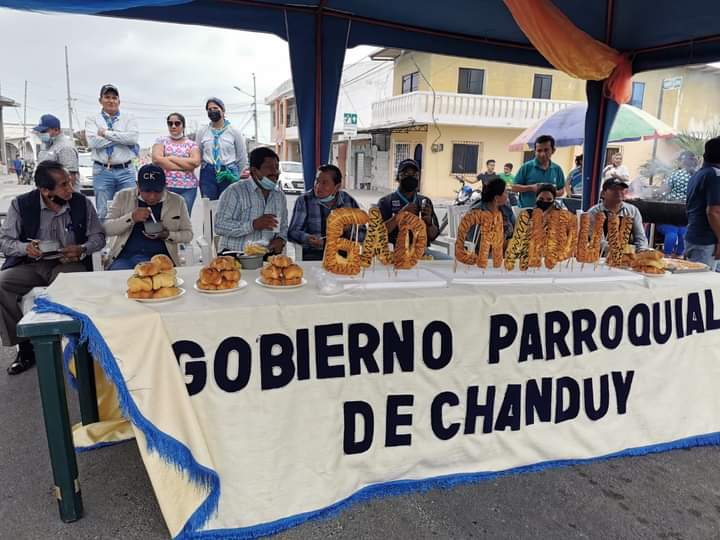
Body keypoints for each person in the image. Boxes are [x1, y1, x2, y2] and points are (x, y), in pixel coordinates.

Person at [0, 161, 105, 375]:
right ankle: (25, 346)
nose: (70, 188)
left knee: (70, 285)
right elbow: (5, 241)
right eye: (64, 185)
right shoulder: (21, 205)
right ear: (45, 191)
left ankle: (77, 346)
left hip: (68, 264)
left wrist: (82, 248)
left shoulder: (81, 203)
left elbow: (99, 237)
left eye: (70, 182)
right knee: (2, 284)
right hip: (31, 264)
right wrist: (25, 248)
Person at [104, 164, 193, 270]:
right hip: (126, 257)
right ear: (138, 185)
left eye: (157, 191)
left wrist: (168, 234)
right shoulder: (123, 197)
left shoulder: (177, 201)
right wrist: (131, 217)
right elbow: (106, 228)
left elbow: (188, 234)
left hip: (161, 259)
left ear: (165, 186)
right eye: (147, 191)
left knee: (162, 277)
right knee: (120, 276)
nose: (152, 196)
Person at [215, 147, 287, 254]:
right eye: (269, 167)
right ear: (254, 170)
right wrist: (253, 225)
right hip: (235, 254)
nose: (275, 172)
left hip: (266, 255)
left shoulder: (279, 195)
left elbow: (284, 227)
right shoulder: (235, 191)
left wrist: (280, 239)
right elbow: (219, 226)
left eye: (276, 167)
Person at [85, 84, 139, 220]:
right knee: (103, 212)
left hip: (126, 171)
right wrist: (122, 137)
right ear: (100, 100)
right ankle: (105, 235)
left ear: (119, 101)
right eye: (107, 97)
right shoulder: (92, 119)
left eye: (114, 98)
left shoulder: (129, 118)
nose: (111, 101)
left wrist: (105, 133)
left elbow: (133, 138)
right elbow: (93, 142)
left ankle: (126, 235)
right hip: (102, 171)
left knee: (129, 210)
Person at [288, 164, 361, 261]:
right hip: (314, 255)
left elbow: (363, 233)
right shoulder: (304, 200)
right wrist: (307, 238)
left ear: (337, 187)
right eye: (317, 181)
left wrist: (350, 228)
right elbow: (292, 232)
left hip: (343, 255)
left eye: (324, 183)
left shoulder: (348, 201)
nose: (318, 186)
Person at [377, 159, 441, 255]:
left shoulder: (425, 202)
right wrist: (399, 216)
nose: (410, 177)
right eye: (406, 174)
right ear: (398, 177)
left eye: (415, 175)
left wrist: (428, 223)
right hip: (394, 253)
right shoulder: (385, 202)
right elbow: (377, 233)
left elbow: (433, 236)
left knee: (451, 262)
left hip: (421, 253)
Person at [195, 97, 248, 201]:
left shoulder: (234, 131)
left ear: (223, 110)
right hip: (208, 173)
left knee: (229, 203)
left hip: (228, 172)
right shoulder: (202, 131)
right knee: (209, 204)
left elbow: (242, 156)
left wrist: (236, 175)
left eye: (215, 108)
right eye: (209, 109)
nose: (212, 111)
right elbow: (198, 153)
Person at [152, 112, 201, 215]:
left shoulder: (191, 144)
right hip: (165, 187)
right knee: (165, 218)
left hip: (188, 188)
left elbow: (196, 162)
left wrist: (171, 158)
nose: (173, 126)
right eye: (170, 123)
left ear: (183, 126)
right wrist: (186, 166)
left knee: (184, 218)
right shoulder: (161, 141)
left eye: (177, 123)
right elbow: (157, 159)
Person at [587, 178, 648, 255]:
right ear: (603, 193)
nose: (619, 192)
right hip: (600, 256)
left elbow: (640, 237)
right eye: (614, 189)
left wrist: (642, 251)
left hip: (627, 256)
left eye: (621, 189)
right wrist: (618, 251)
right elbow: (598, 241)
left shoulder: (632, 211)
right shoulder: (594, 213)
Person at [685, 138, 720, 268]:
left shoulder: (699, 174)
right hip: (707, 242)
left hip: (696, 237)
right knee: (702, 278)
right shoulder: (715, 175)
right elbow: (713, 212)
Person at [658, 151, 697, 257]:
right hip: (688, 211)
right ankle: (679, 256)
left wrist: (655, 193)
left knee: (671, 232)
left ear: (682, 161)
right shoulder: (697, 175)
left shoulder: (675, 174)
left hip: (671, 211)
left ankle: (667, 255)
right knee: (683, 232)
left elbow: (663, 190)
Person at [511, 135, 565, 208]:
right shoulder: (526, 167)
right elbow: (514, 188)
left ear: (553, 150)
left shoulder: (557, 169)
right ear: (535, 151)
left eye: (546, 150)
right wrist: (531, 187)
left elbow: (562, 190)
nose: (542, 154)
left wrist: (552, 192)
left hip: (549, 212)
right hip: (527, 211)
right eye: (539, 151)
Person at [32, 114, 79, 189]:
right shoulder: (47, 145)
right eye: (40, 131)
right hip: (46, 192)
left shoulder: (65, 147)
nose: (41, 134)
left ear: (56, 130)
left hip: (60, 194)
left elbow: (70, 179)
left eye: (44, 131)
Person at [469, 177, 515, 246]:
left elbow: (515, 228)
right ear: (496, 198)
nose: (507, 195)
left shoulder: (506, 208)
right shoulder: (476, 212)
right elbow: (476, 242)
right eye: (505, 192)